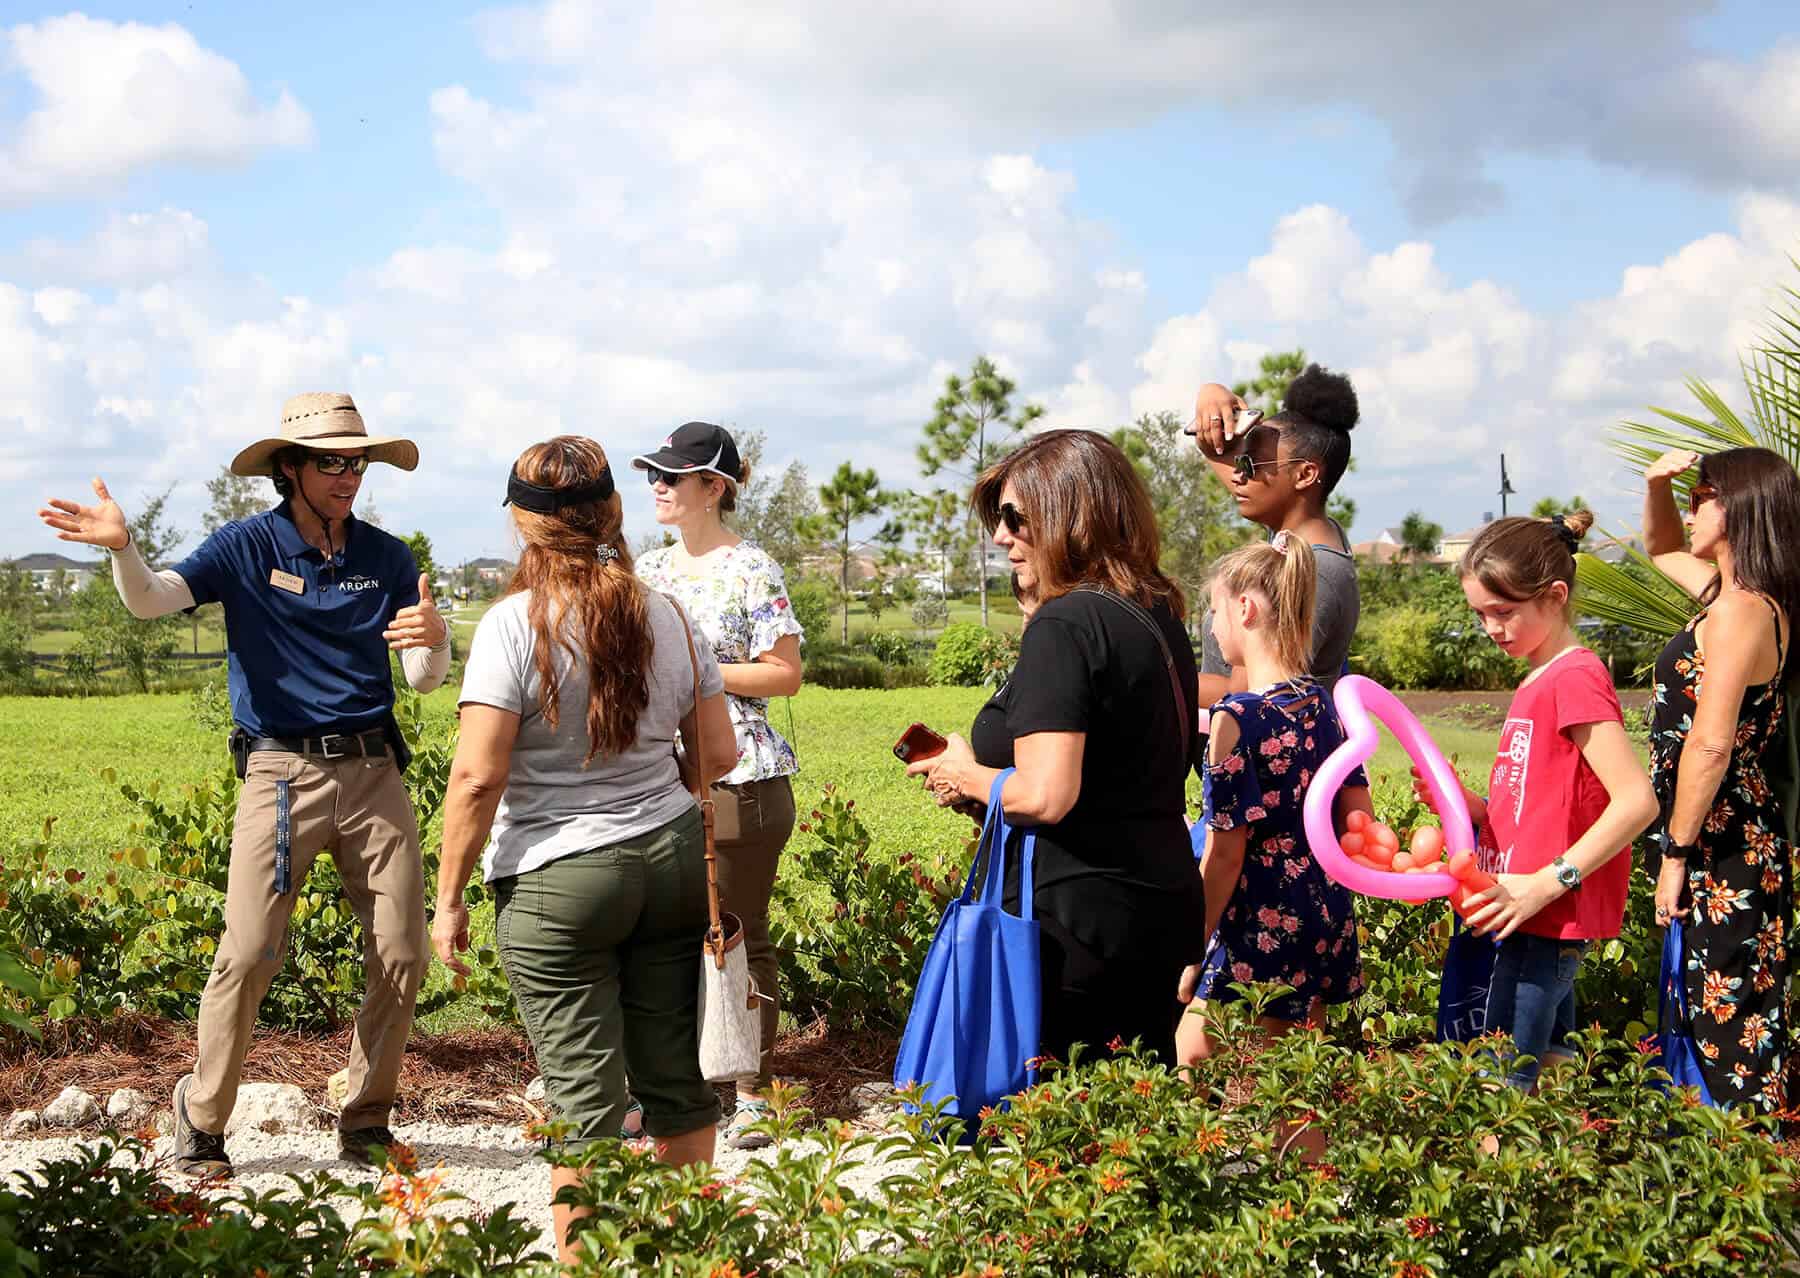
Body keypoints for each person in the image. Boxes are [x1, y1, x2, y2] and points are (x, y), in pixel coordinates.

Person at [37, 393, 451, 1177]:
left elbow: (423, 678)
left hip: (373, 770)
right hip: (280, 771)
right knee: (250, 950)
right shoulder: (243, 546)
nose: (348, 474)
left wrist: (433, 642)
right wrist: (123, 550)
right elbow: (154, 600)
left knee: (403, 952)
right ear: (288, 468)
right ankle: (201, 1121)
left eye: (356, 460)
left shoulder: (389, 558)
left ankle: (366, 1121)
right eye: (330, 460)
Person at [430, 435, 736, 1264]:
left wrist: (449, 897)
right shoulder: (667, 613)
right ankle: (680, 1254)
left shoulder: (511, 626)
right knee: (676, 1080)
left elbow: (475, 779)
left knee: (585, 1101)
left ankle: (591, 1263)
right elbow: (721, 753)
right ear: (614, 512)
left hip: (557, 883)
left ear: (524, 527)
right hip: (670, 859)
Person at [905, 429, 1205, 1065]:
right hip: (1159, 903)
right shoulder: (1154, 612)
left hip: (1072, 924)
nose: (1000, 536)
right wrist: (986, 785)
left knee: (1047, 1139)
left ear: (1072, 514)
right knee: (1131, 1134)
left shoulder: (1067, 625)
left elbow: (1046, 795)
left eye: (1016, 517)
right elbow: (1116, 768)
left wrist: (967, 773)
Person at [1430, 511, 1657, 1091]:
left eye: (1504, 612)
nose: (1491, 629)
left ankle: (1501, 1184)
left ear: (1555, 597)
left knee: (1501, 1086)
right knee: (1550, 1076)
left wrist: (1547, 883)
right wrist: (1467, 805)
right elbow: (1536, 808)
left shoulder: (1573, 677)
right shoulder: (1537, 678)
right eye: (1479, 614)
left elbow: (1636, 802)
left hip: (1543, 917)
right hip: (1526, 914)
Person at [631, 421, 804, 1150]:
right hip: (655, 772)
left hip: (743, 775)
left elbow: (784, 672)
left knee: (737, 932)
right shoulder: (648, 570)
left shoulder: (753, 569)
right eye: (653, 476)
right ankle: (678, 1083)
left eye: (674, 476)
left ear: (716, 488)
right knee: (665, 934)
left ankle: (752, 1090)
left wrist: (697, 670)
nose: (659, 487)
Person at [1176, 534, 1370, 1080]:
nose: (1213, 627)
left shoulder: (1235, 717)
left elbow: (1224, 855)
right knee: (1291, 1088)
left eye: (1215, 610)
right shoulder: (1322, 704)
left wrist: (1192, 948)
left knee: (1190, 1060)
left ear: (1245, 608)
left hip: (1258, 924)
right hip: (1322, 913)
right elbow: (1358, 819)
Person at [1642, 448, 1800, 1111]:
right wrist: (1656, 482)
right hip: (1733, 839)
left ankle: (1742, 1189)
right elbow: (1659, 549)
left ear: (1739, 506)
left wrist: (1676, 854)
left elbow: (1710, 744)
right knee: (1723, 1019)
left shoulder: (1742, 611)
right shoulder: (1734, 597)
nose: (1691, 503)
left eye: (1702, 493)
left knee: (1727, 1033)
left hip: (1722, 845)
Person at [1189, 366, 1362, 706]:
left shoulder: (1316, 571)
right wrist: (1211, 393)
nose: (1237, 477)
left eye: (1251, 465)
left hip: (1271, 756)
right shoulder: (1294, 539)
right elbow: (1215, 452)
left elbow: (1252, 691)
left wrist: (1147, 682)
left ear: (1305, 474)